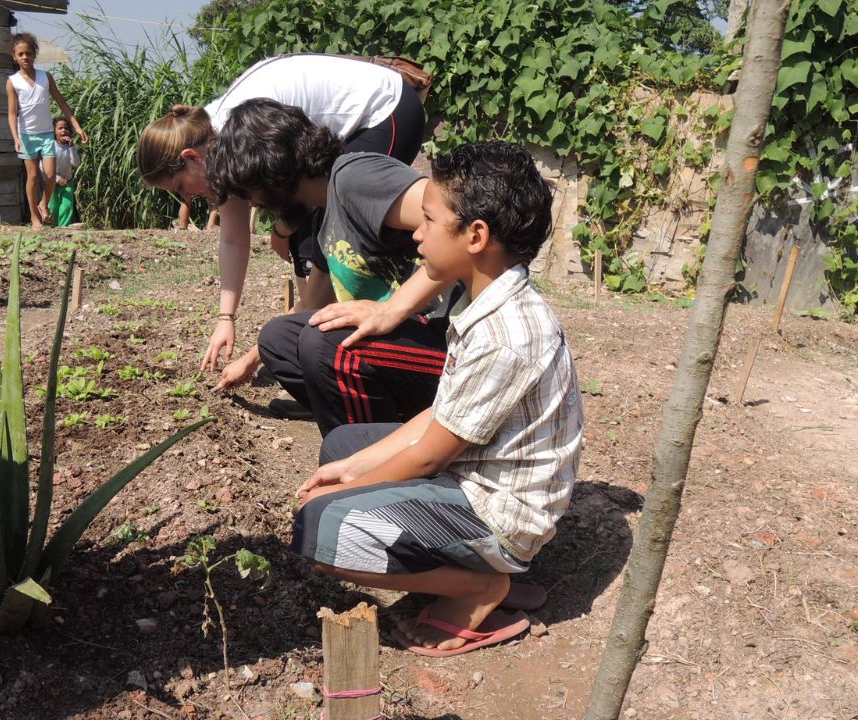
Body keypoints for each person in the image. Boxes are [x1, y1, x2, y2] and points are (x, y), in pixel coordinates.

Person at [292, 141, 582, 656]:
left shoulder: (507, 335)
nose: (417, 233)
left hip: (500, 512)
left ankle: (483, 584)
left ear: (476, 236)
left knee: (322, 531)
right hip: (476, 473)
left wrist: (341, 494)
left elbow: (430, 452)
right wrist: (355, 468)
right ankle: (469, 572)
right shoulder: (483, 298)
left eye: (428, 220)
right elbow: (442, 413)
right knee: (343, 448)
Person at [135, 54, 426, 376]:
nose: (187, 198)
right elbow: (233, 238)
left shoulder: (242, 128)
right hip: (338, 136)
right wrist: (225, 320)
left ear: (192, 158)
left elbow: (304, 194)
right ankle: (313, 350)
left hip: (384, 109)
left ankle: (363, 353)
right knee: (313, 241)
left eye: (180, 187)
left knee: (343, 227)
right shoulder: (217, 150)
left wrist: (284, 228)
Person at [206, 98, 454, 436]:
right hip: (397, 349)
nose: (253, 202)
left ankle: (366, 456)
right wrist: (250, 361)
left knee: (320, 343)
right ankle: (382, 429)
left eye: (250, 190)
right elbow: (311, 305)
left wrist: (393, 309)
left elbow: (457, 212)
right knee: (278, 338)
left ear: (268, 170)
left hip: (449, 348)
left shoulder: (356, 177)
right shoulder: (325, 216)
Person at [6, 32, 87, 231]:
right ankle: (35, 217)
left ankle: (43, 203)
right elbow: (12, 113)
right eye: (21, 54)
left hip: (45, 134)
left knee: (50, 175)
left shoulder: (45, 77)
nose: (25, 57)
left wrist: (76, 126)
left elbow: (62, 103)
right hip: (26, 135)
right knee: (33, 176)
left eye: (29, 53)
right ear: (14, 56)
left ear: (35, 55)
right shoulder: (13, 82)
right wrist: (15, 137)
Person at [48, 116, 81, 227]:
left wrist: (72, 146)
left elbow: (76, 163)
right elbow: (43, 166)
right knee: (53, 207)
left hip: (67, 181)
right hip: (51, 181)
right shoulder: (51, 146)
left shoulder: (70, 147)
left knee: (67, 206)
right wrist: (57, 178)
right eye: (60, 128)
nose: (63, 131)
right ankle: (52, 227)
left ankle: (63, 228)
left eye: (66, 128)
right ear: (54, 131)